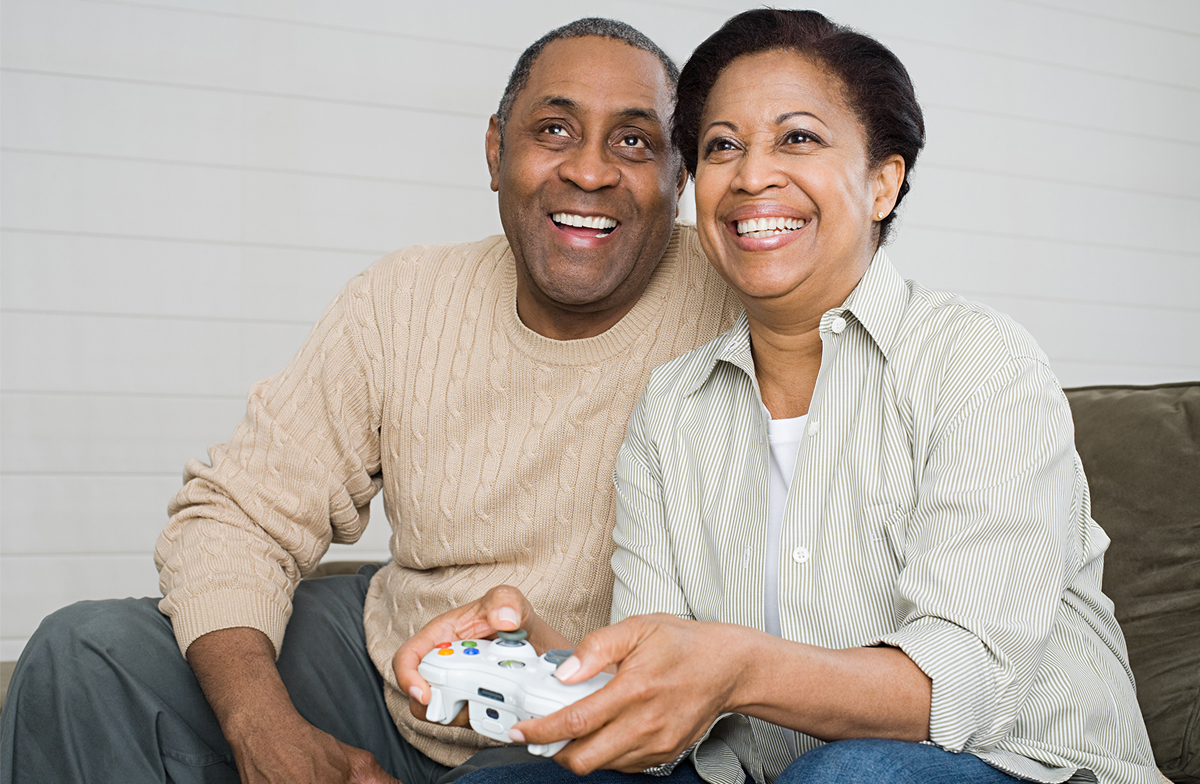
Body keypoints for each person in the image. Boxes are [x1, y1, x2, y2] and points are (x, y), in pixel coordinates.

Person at [398, 9, 1159, 784]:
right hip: (767, 775)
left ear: (882, 182)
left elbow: (962, 686)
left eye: (798, 138)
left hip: (1017, 763)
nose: (752, 175)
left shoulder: (977, 362)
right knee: (503, 781)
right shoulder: (672, 409)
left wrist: (736, 667)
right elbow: (662, 693)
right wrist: (544, 656)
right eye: (723, 145)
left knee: (851, 776)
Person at [0, 18, 741, 784]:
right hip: (394, 682)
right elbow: (239, 514)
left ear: (680, 176)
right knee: (81, 656)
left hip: (596, 734)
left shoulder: (738, 299)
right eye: (554, 130)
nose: (589, 172)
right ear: (496, 150)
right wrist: (264, 725)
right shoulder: (403, 300)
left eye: (633, 142)